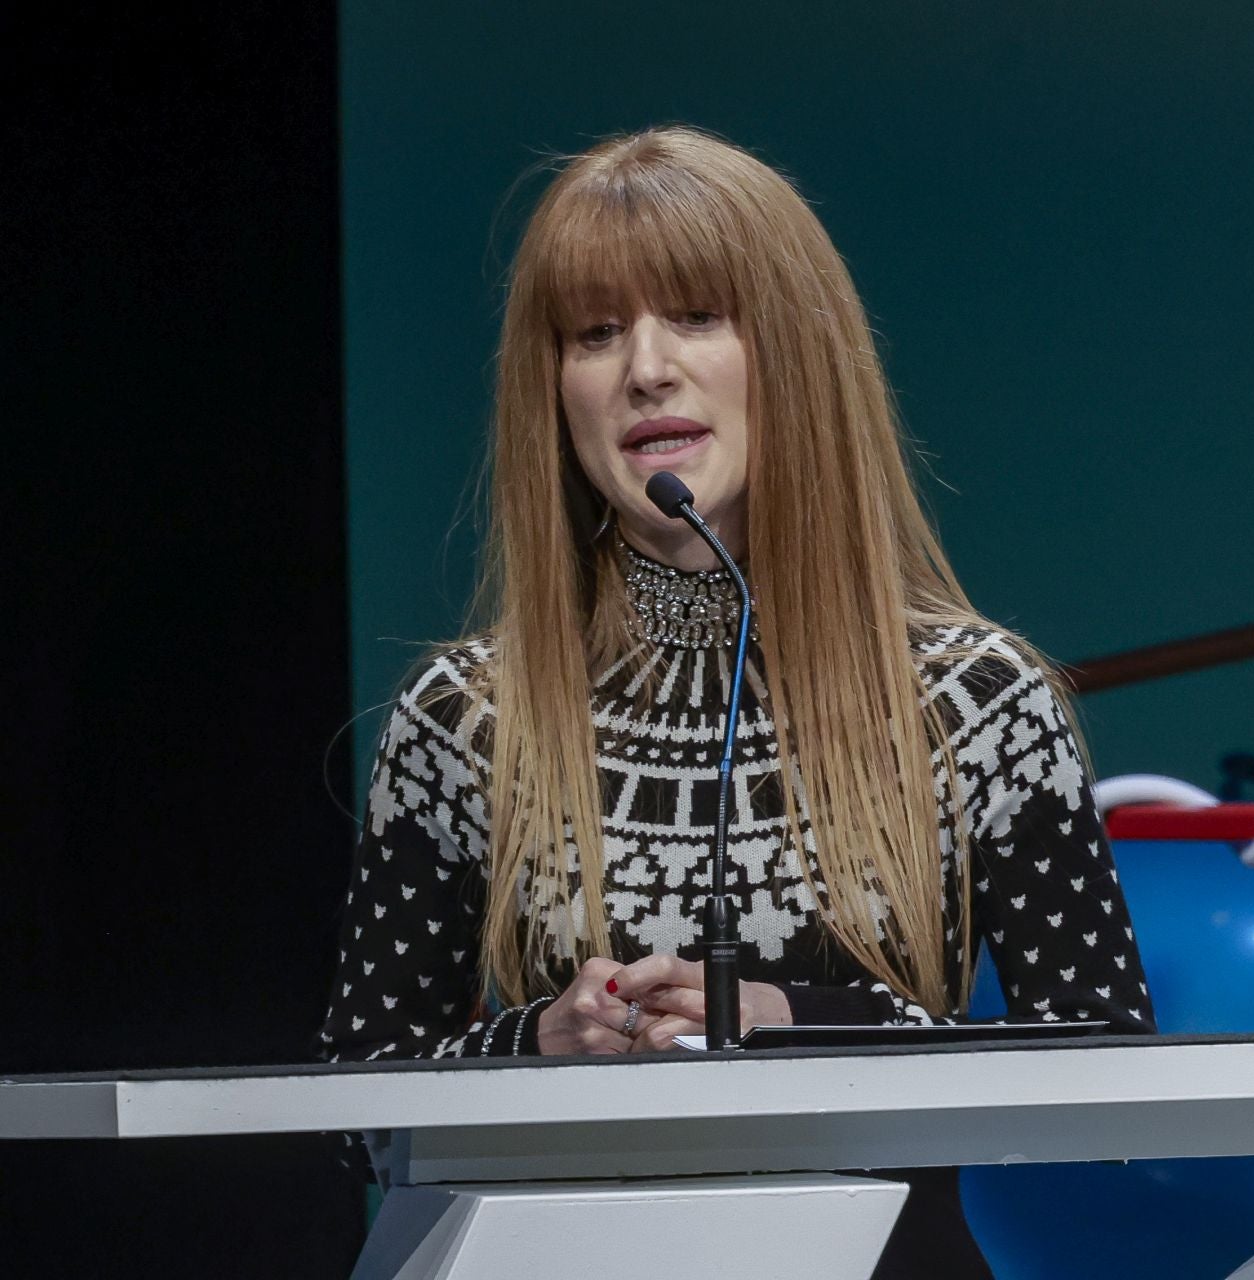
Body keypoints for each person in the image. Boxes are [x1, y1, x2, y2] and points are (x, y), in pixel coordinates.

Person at [318, 126, 1154, 1276]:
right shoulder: (468, 717)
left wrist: (791, 1025)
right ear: (553, 387)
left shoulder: (975, 699)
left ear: (797, 354)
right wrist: (537, 1041)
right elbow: (356, 1104)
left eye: (698, 315)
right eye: (596, 332)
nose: (644, 367)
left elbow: (1107, 1071)